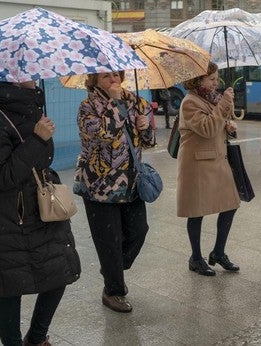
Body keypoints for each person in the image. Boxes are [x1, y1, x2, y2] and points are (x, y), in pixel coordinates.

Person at [0, 80, 81, 345]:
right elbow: (0, 176)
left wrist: (39, 137)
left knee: (59, 273)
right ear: (8, 75)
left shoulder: (31, 106)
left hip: (41, 205)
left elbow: (42, 160)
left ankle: (35, 338)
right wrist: (36, 139)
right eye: (28, 72)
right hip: (7, 213)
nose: (34, 77)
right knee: (11, 285)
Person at [73, 71, 155, 313]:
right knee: (109, 241)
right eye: (106, 76)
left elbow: (148, 142)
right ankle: (113, 290)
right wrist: (115, 103)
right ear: (95, 80)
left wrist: (145, 126)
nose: (113, 80)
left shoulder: (136, 101)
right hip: (99, 185)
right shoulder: (87, 106)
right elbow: (102, 134)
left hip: (131, 183)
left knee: (139, 231)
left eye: (116, 75)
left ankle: (113, 267)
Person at [177, 62, 241, 277]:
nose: (216, 83)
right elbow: (206, 128)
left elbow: (216, 125)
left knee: (230, 205)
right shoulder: (190, 102)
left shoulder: (210, 98)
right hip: (197, 164)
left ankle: (218, 252)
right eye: (211, 79)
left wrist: (228, 127)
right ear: (198, 80)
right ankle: (195, 258)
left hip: (217, 160)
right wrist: (223, 105)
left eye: (217, 78)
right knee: (197, 212)